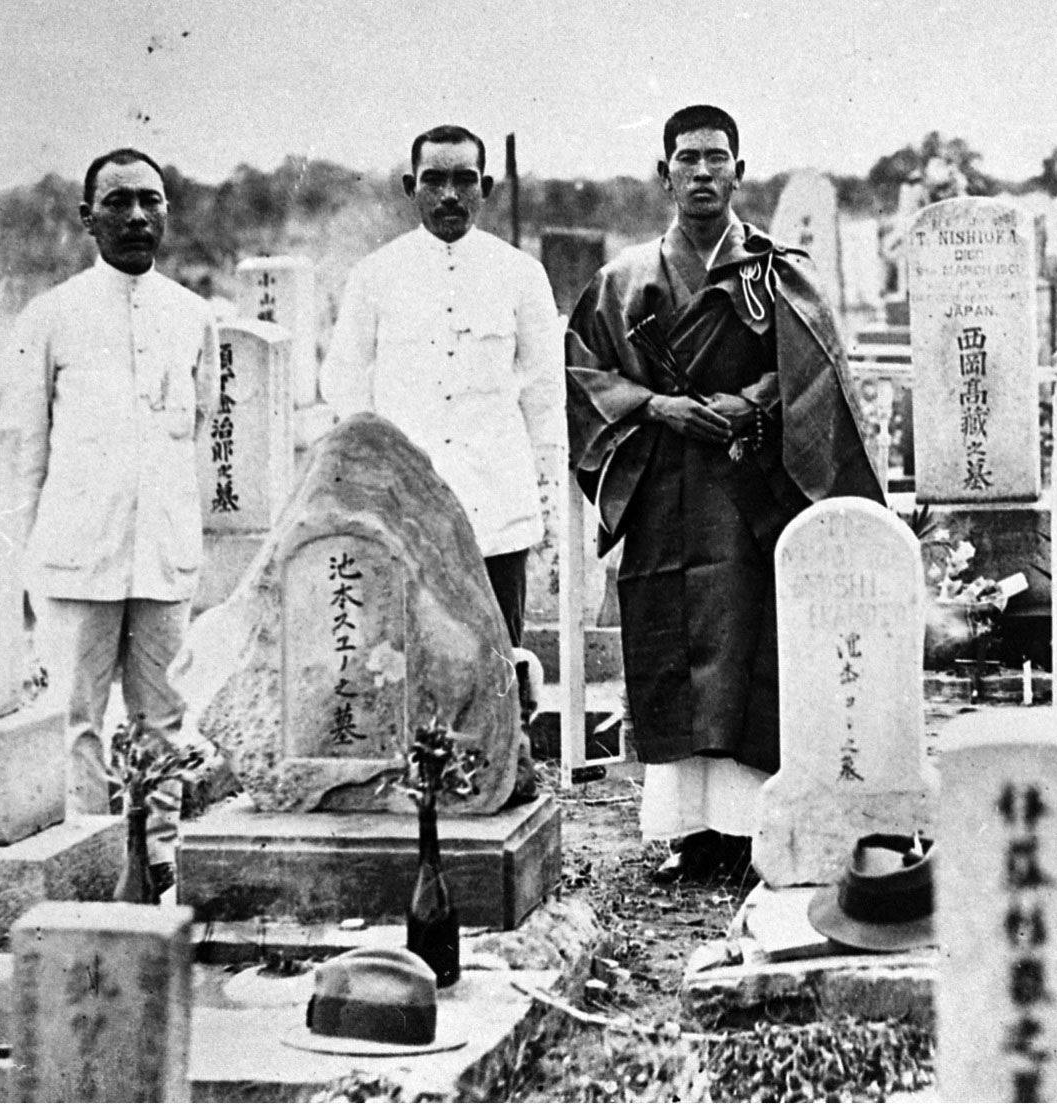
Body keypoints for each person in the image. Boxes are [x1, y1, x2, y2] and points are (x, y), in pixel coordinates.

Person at [564, 105, 882, 883]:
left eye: (716, 158)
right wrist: (656, 406)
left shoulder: (776, 270)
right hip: (664, 483)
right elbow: (586, 375)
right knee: (671, 646)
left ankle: (748, 831)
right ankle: (689, 831)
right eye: (686, 158)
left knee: (750, 651)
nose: (702, 172)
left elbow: (814, 368)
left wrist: (754, 400)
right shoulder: (623, 279)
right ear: (664, 171)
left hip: (750, 491)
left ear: (740, 169)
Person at [321, 124, 560, 800]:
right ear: (411, 188)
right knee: (403, 657)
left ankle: (496, 784)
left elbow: (546, 399)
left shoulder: (520, 275)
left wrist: (546, 506)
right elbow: (345, 390)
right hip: (406, 512)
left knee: (496, 658)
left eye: (464, 180)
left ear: (487, 187)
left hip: (495, 508)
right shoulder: (375, 277)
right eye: (434, 179)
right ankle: (407, 789)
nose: (449, 194)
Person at [8, 148, 218, 893]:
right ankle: (85, 867)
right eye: (119, 200)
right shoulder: (52, 317)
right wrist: (22, 574)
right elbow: (27, 455)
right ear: (86, 215)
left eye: (151, 201)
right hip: (75, 555)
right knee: (76, 720)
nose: (136, 216)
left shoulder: (193, 318)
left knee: (163, 719)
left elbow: (195, 434)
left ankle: (159, 861)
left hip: (161, 555)